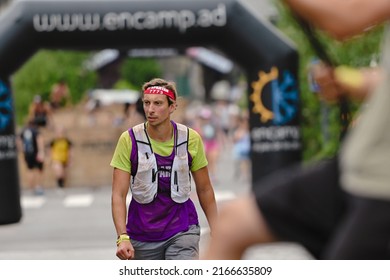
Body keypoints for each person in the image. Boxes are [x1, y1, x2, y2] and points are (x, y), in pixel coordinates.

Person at [203, 0, 390, 260]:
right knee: (233, 224)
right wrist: (353, 80)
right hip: (357, 165)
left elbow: (346, 18)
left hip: (382, 185)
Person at [110, 78, 218, 260]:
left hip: (183, 230)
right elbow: (118, 195)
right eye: (146, 103)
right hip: (141, 235)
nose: (150, 109)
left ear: (172, 107)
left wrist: (217, 227)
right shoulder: (129, 140)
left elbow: (205, 188)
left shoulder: (190, 139)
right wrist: (122, 237)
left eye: (158, 103)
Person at [19, 119, 46, 195]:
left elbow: (19, 141)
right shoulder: (36, 131)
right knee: (39, 170)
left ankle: (31, 188)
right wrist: (41, 152)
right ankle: (38, 187)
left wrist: (22, 151)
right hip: (36, 153)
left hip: (27, 153)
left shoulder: (24, 131)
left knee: (30, 170)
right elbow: (40, 140)